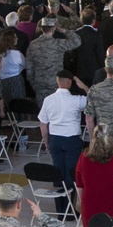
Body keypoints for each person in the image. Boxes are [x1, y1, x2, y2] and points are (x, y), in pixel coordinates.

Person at [38, 70, 89, 215]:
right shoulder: (76, 100)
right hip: (72, 140)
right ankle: (72, 210)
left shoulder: (48, 99)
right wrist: (83, 86)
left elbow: (43, 124)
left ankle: (60, 209)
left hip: (55, 139)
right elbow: (94, 97)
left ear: (57, 81)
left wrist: (47, 143)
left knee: (58, 172)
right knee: (71, 174)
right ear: (70, 82)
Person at [74, 124, 113, 227]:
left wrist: (82, 203)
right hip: (112, 202)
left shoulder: (84, 158)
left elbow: (79, 184)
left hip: (89, 202)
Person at [26, 17, 81, 108]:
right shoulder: (57, 44)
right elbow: (77, 41)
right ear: (53, 29)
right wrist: (63, 30)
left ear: (42, 28)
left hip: (39, 84)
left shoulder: (32, 45)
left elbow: (29, 68)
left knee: (43, 112)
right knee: (56, 111)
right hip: (55, 83)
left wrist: (34, 84)